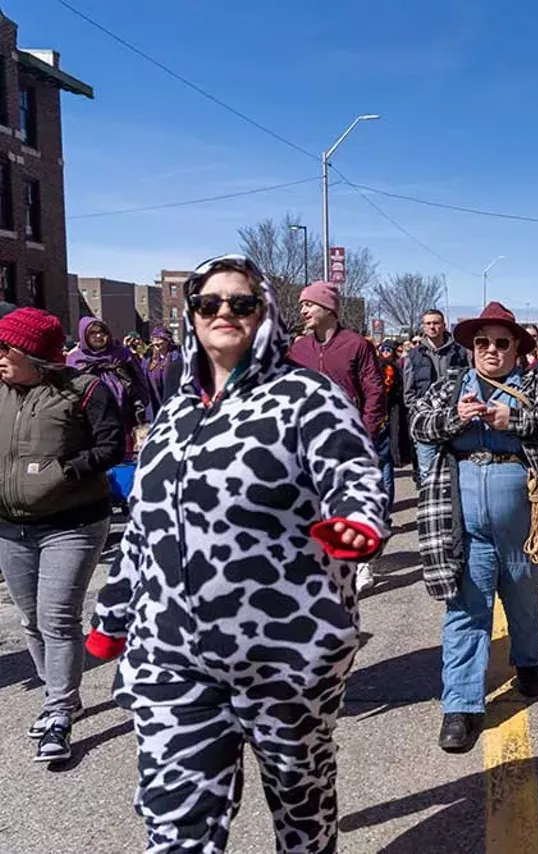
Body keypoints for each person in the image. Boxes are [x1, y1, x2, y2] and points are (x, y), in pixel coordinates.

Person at [88, 254, 387, 853]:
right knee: (175, 828)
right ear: (192, 318)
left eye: (241, 302)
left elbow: (355, 475)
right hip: (171, 656)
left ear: (266, 315)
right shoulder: (173, 414)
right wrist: (112, 617)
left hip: (283, 655)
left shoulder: (306, 395)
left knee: (302, 810)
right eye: (208, 303)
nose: (224, 312)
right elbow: (147, 527)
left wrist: (355, 524)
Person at [410, 302, 538, 754]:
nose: (492, 350)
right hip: (465, 522)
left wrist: (513, 419)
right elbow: (419, 422)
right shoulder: (451, 386)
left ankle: (528, 662)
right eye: (483, 343)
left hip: (524, 521)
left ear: (517, 347)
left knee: (523, 597)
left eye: (502, 342)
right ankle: (460, 706)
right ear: (472, 348)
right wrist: (454, 418)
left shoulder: (536, 384)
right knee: (465, 608)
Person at [0, 307, 124, 762]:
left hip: (72, 524)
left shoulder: (84, 389)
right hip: (10, 527)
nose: (0, 357)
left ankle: (57, 711)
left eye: (6, 348)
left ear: (34, 353)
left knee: (56, 618)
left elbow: (113, 445)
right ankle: (63, 694)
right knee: (30, 619)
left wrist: (66, 472)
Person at [288, 281, 387, 594]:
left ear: (328, 309)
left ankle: (362, 561)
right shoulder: (298, 349)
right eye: (302, 305)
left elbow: (374, 391)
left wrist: (365, 433)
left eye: (309, 305)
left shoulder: (356, 345)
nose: (303, 310)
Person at [67, 316, 150, 455]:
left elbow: (139, 381)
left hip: (124, 416)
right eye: (93, 333)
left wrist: (140, 405)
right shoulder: (75, 359)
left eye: (102, 332)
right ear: (84, 336)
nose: (98, 336)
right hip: (90, 420)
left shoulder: (122, 354)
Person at [403, 308, 470, 477]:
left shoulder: (460, 353)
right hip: (426, 421)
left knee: (457, 471)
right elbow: (408, 392)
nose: (432, 327)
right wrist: (419, 414)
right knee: (427, 473)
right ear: (423, 327)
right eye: (428, 323)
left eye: (436, 323)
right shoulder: (413, 355)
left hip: (454, 419)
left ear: (444, 325)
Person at [378, 339, 413, 480]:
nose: (385, 353)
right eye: (383, 350)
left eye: (388, 351)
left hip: (393, 410)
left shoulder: (395, 368)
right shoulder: (378, 366)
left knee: (385, 455)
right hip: (382, 410)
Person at [144, 327, 179, 415]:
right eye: (154, 340)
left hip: (172, 403)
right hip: (155, 403)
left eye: (159, 339)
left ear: (168, 341)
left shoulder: (177, 358)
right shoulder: (148, 361)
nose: (156, 342)